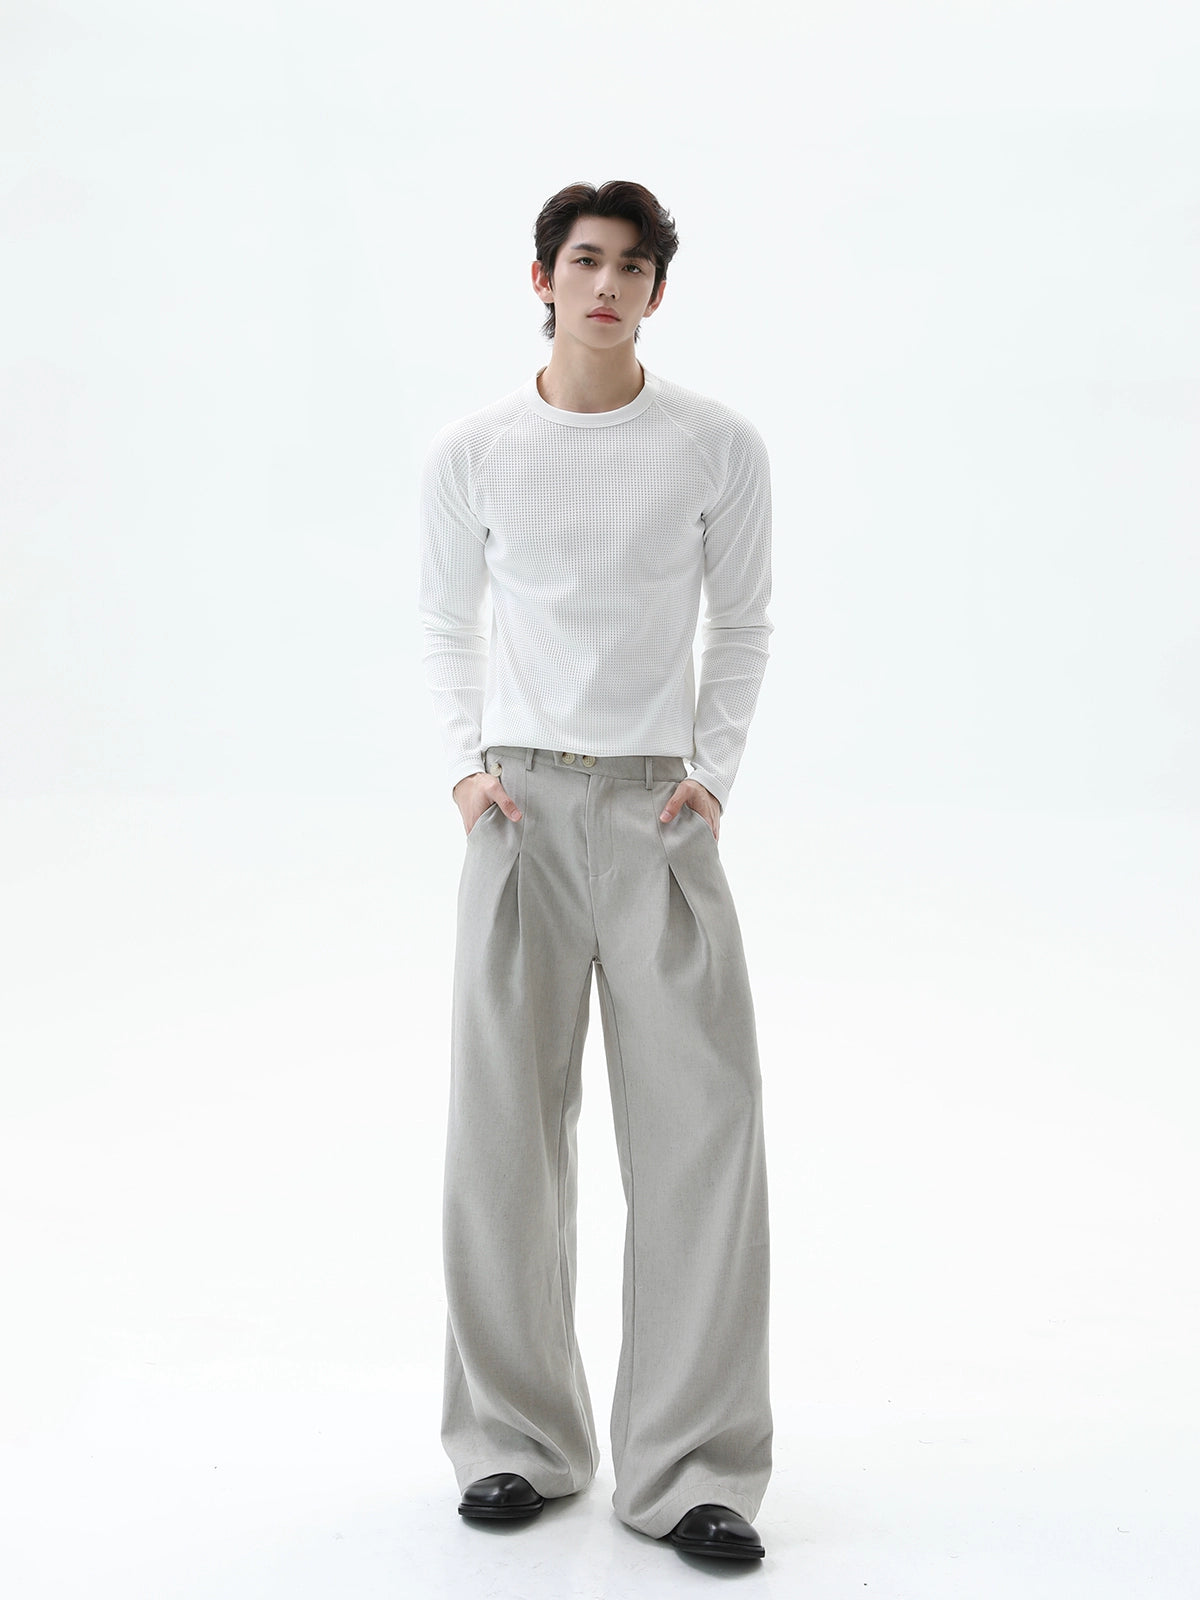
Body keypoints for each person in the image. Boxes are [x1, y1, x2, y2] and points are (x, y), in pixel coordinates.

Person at [417, 179, 775, 1562]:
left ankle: (692, 1470)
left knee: (703, 1135)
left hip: (656, 809)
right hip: (517, 807)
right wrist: (465, 773)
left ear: (656, 292)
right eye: (585, 261)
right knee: (503, 1136)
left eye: (632, 266)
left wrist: (714, 776)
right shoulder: (475, 451)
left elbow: (743, 624)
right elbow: (443, 623)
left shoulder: (716, 445)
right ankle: (517, 1443)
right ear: (543, 280)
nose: (608, 285)